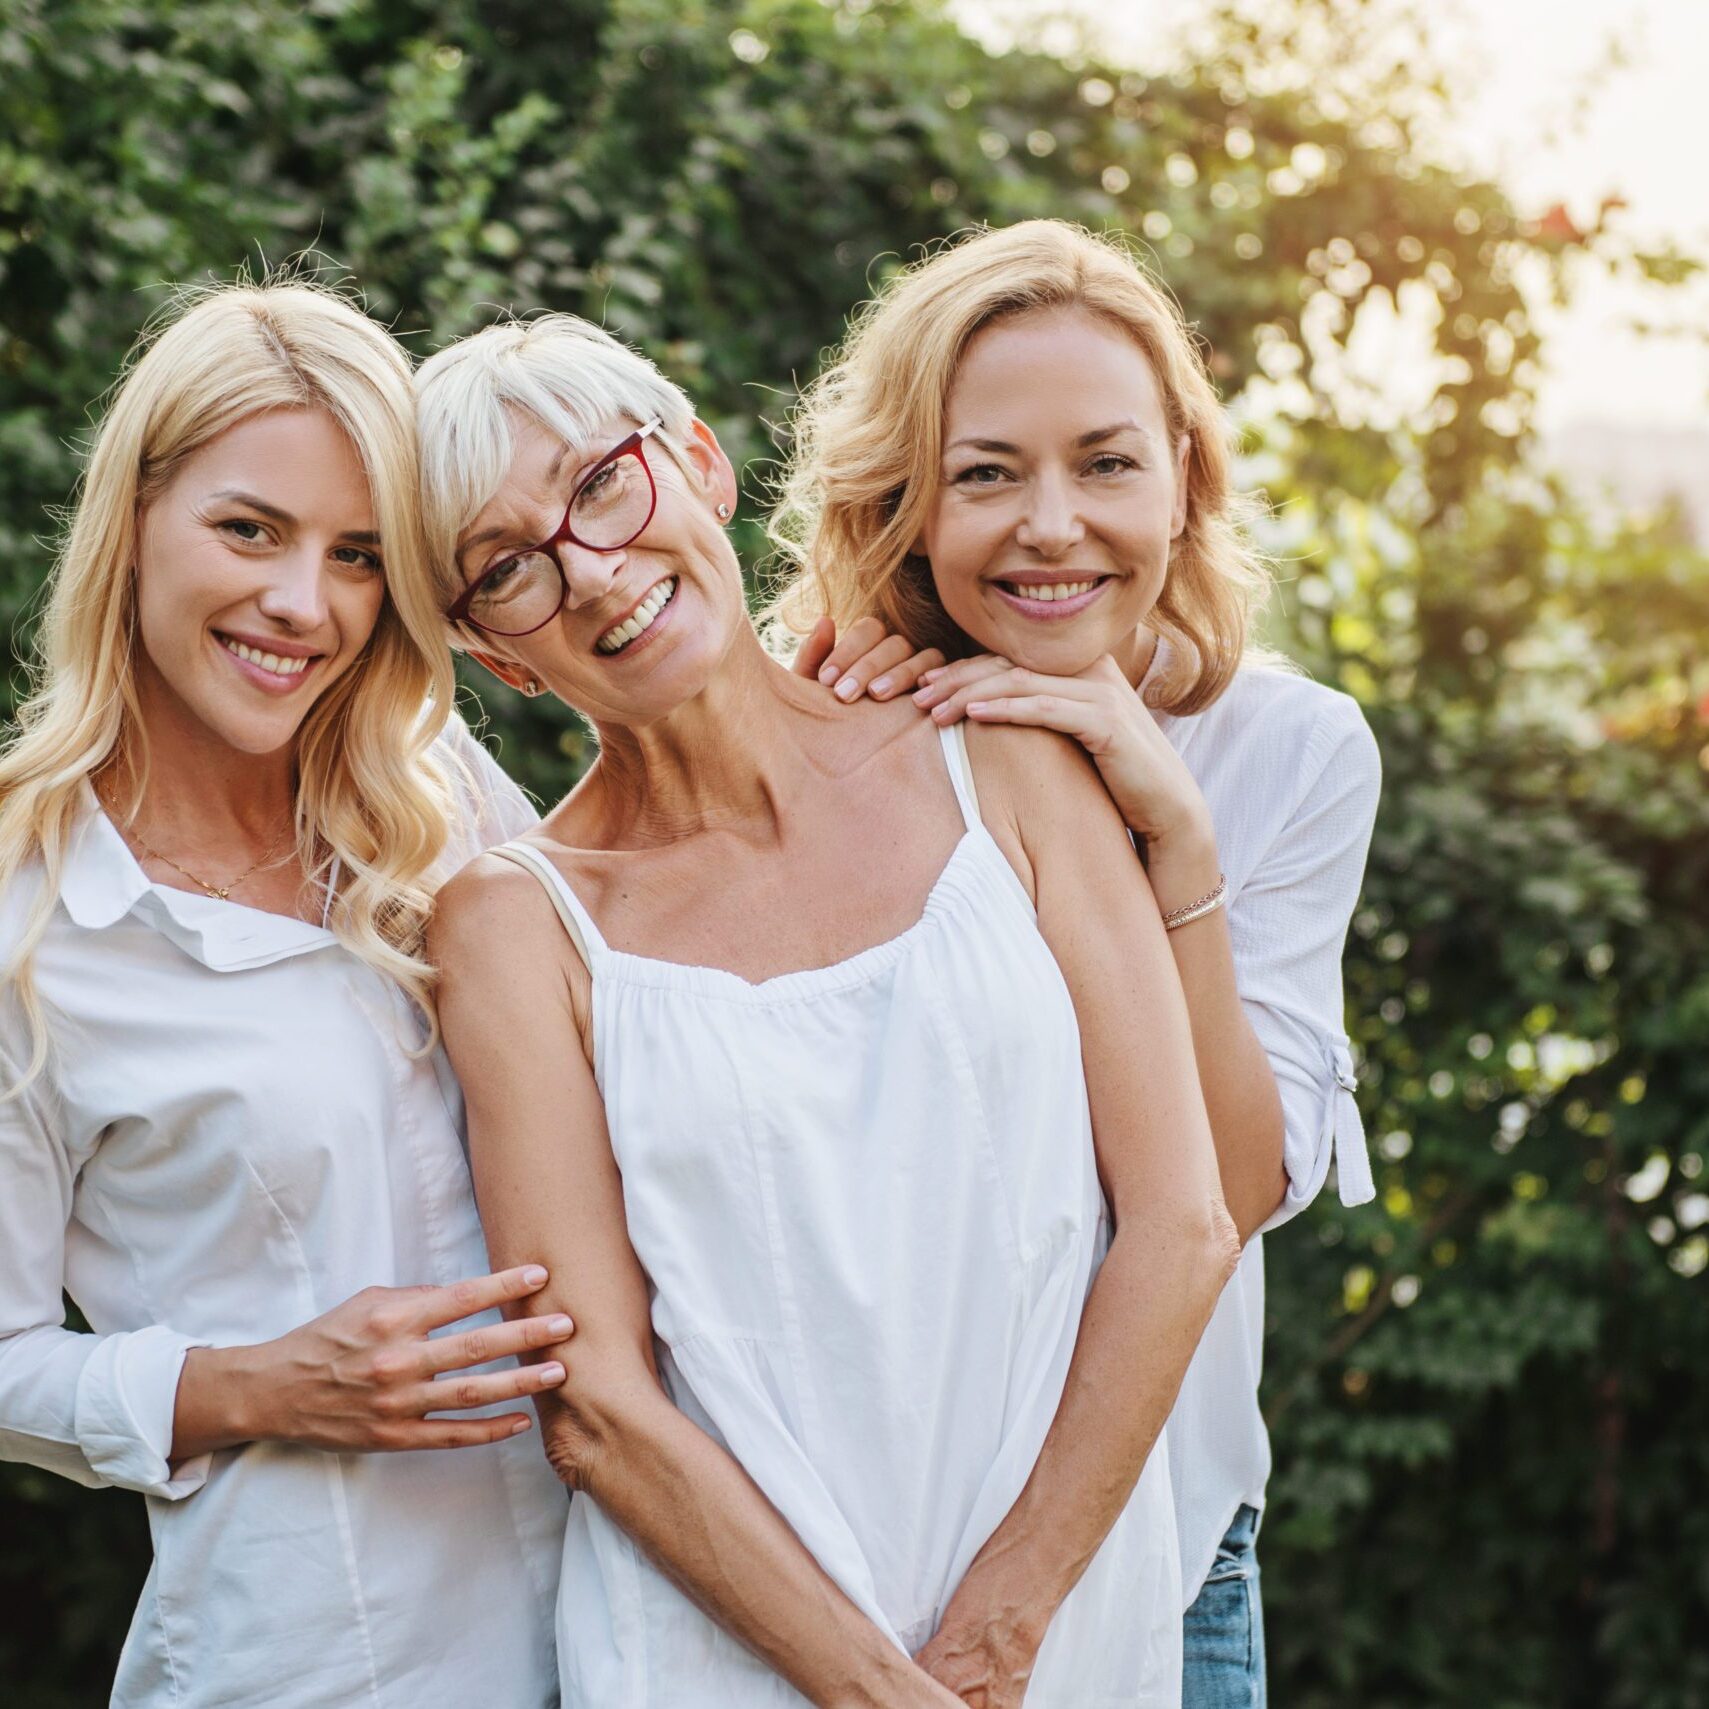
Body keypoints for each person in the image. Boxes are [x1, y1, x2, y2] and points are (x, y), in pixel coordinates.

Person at [416, 311, 1241, 1707]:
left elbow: (1182, 1222)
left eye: (603, 482)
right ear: (496, 654)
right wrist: (879, 1691)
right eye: (509, 569)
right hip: (718, 1663)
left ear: (697, 462)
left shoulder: (1004, 762)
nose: (593, 571)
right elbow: (598, 1408)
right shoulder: (514, 927)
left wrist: (999, 1632)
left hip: (1062, 1636)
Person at [770, 219, 1382, 1708]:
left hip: (1164, 1558)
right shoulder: (826, 730)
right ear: (905, 500)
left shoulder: (1285, 752)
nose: (1052, 524)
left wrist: (1173, 839)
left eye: (1105, 463)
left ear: (1183, 474)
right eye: (985, 473)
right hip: (845, 1562)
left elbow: (1227, 1194)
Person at [0, 279, 567, 1708]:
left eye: (360, 555)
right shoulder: (28, 919)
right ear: (133, 521)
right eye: (249, 529)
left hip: (630, 1625)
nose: (301, 604)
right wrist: (258, 1381)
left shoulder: (443, 799)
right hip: (323, 1660)